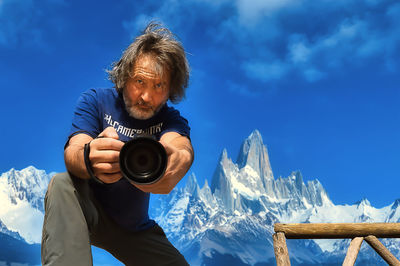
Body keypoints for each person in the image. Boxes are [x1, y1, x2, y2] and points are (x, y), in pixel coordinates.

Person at [41, 22, 194, 266]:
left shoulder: (170, 120)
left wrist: (179, 160)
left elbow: (180, 146)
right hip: (86, 210)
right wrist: (89, 157)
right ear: (123, 77)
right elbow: (74, 149)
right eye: (140, 82)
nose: (146, 96)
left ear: (170, 90)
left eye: (158, 86)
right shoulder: (96, 101)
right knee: (61, 183)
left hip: (135, 230)